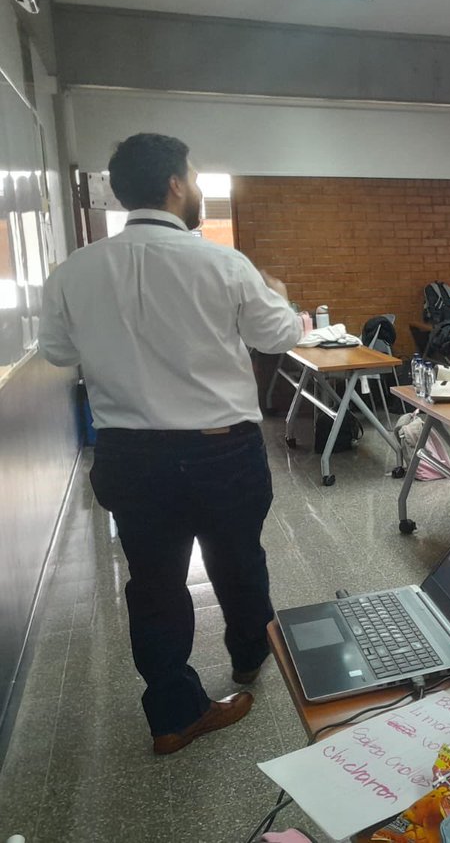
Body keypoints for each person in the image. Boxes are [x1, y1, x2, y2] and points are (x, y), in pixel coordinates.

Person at [39, 133, 301, 754]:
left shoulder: (74, 271)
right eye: (195, 176)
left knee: (153, 582)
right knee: (238, 558)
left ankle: (173, 716)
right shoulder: (222, 262)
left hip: (131, 457)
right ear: (176, 185)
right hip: (221, 452)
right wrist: (281, 293)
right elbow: (278, 335)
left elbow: (56, 352)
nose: (200, 188)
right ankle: (247, 661)